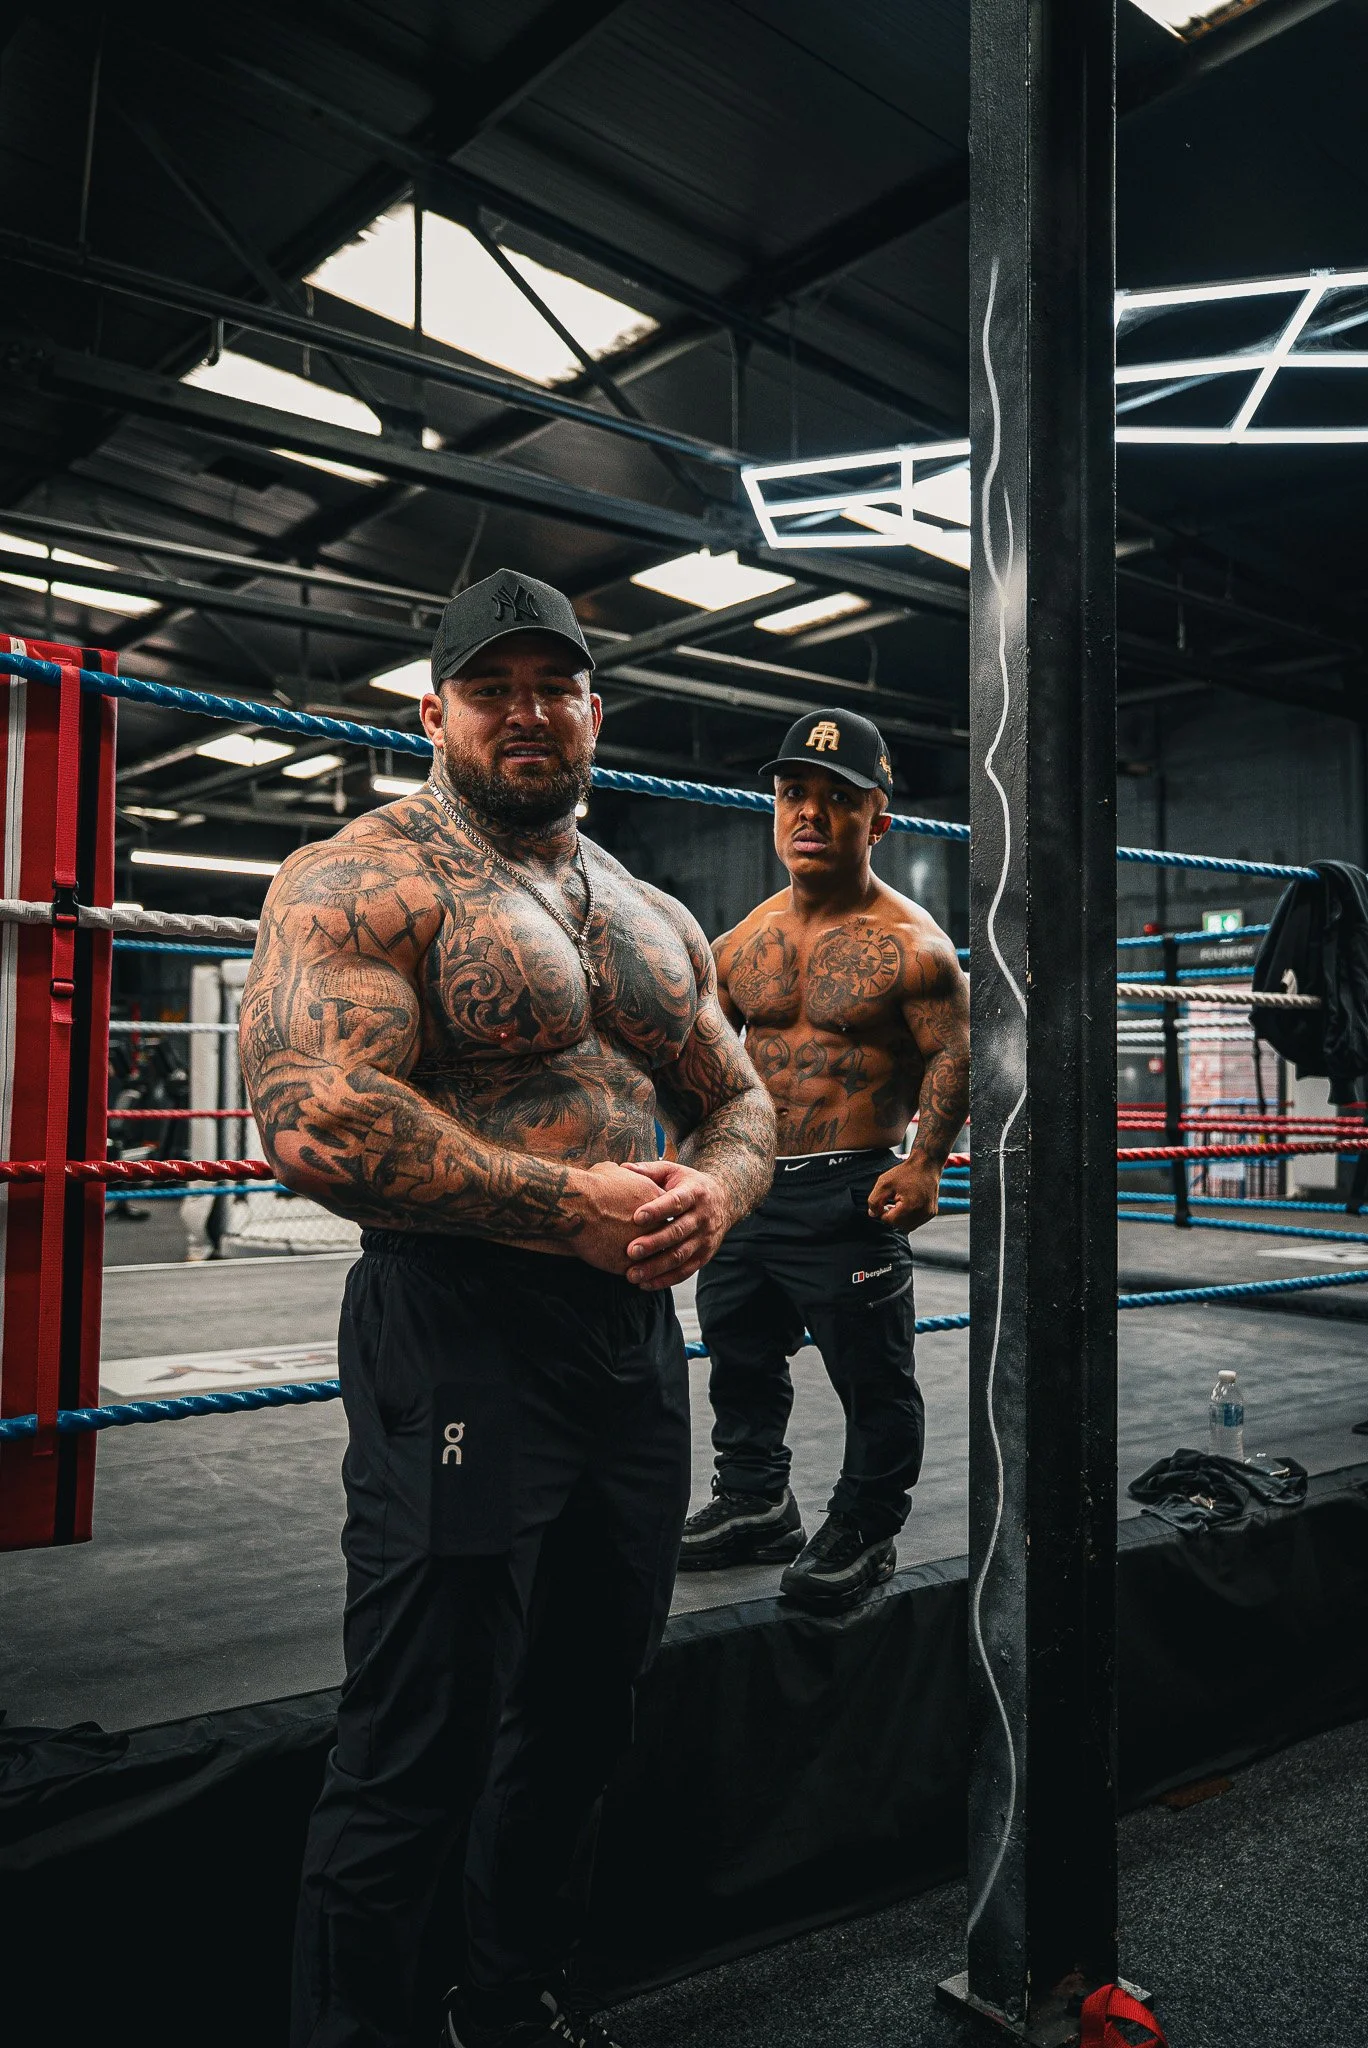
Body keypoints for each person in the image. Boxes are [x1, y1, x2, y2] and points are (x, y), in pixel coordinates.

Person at [239, 567, 775, 2048]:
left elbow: (739, 1101)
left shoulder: (657, 914)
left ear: (597, 710)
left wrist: (714, 1199)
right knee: (425, 1725)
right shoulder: (356, 875)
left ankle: (511, 1998)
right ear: (434, 711)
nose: (527, 713)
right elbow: (315, 1117)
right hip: (461, 1334)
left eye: (555, 687)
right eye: (494, 689)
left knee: (588, 1704)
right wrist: (567, 1208)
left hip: (626, 1349)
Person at [680, 708, 970, 1614]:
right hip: (749, 1184)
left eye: (837, 800)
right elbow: (702, 1060)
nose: (810, 813)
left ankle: (869, 1524)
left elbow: (956, 1056)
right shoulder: (740, 943)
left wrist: (926, 1165)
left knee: (873, 1374)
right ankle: (757, 1499)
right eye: (793, 794)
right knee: (738, 1355)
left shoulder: (916, 949)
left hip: (850, 1188)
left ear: (877, 820)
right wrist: (691, 1160)